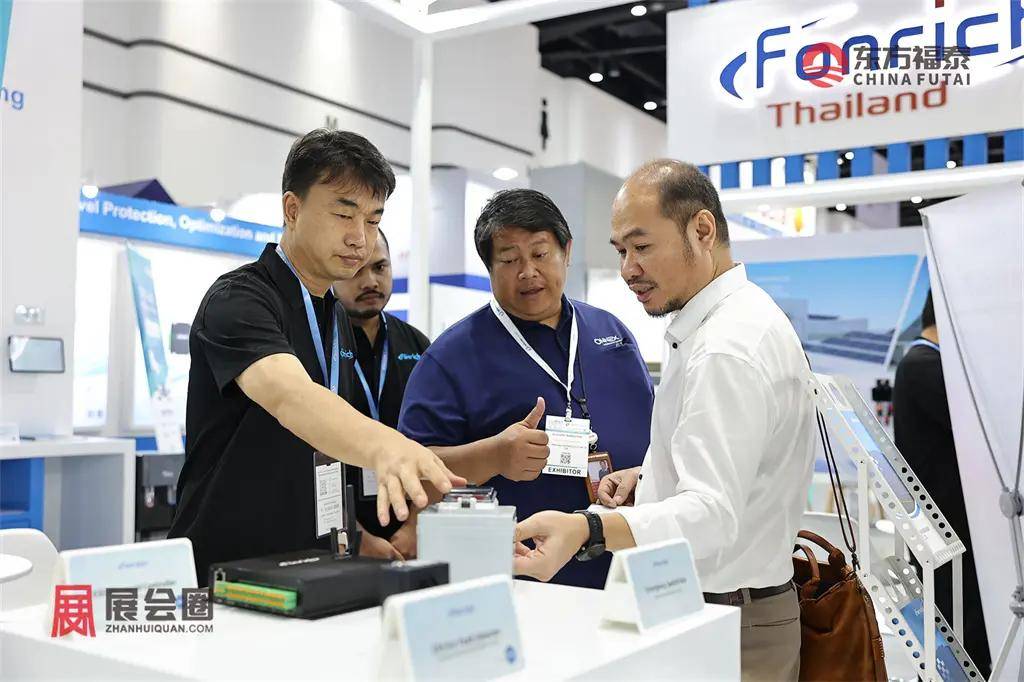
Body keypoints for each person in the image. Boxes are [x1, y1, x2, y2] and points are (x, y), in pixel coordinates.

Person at [513, 160, 815, 681]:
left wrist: (587, 528)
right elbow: (733, 474)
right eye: (621, 251)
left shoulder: (726, 346)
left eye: (642, 246)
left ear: (703, 230)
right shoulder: (723, 324)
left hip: (730, 620)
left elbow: (712, 514)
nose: (628, 268)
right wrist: (653, 478)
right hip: (723, 610)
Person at [169, 129, 462, 583]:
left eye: (372, 220)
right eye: (344, 214)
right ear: (292, 209)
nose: (360, 239)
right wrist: (386, 446)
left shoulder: (335, 315)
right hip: (227, 567)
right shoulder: (239, 299)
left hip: (313, 563)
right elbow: (290, 396)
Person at [398, 188, 655, 589]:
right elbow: (409, 474)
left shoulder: (612, 333)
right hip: (520, 580)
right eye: (509, 259)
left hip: (631, 572)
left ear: (566, 252)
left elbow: (658, 436)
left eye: (540, 253)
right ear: (489, 267)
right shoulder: (450, 358)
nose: (528, 271)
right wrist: (493, 455)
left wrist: (643, 475)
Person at [895, 292, 991, 675]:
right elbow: (977, 429)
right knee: (956, 643)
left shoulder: (924, 364)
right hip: (946, 531)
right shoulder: (923, 366)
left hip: (949, 531)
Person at [332, 229, 431, 561]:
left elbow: (438, 442)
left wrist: (416, 525)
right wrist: (355, 536)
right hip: (339, 531)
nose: (370, 281)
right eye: (356, 270)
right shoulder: (318, 344)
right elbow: (302, 455)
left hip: (411, 528)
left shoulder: (418, 344)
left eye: (380, 267)